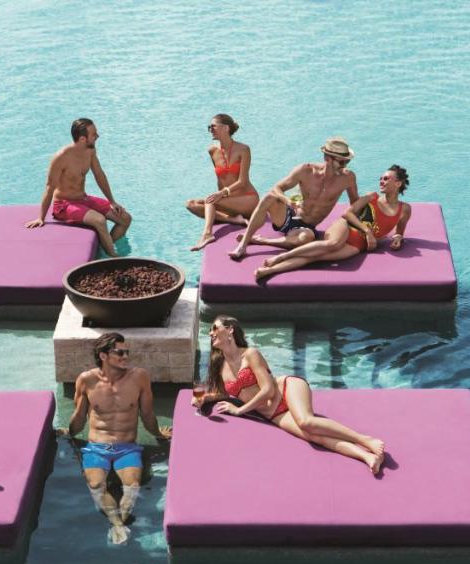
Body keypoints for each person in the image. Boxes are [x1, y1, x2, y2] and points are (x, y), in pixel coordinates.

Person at [197, 316, 386, 475]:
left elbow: (268, 390)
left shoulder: (250, 354)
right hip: (273, 414)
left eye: (215, 328)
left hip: (286, 389)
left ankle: (366, 440)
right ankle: (367, 456)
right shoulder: (220, 366)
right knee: (314, 437)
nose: (210, 333)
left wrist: (240, 411)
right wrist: (206, 398)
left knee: (306, 422)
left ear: (230, 330)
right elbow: (225, 391)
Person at [59, 333, 172, 544]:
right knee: (96, 485)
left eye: (127, 352)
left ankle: (122, 521)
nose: (125, 356)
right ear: (103, 356)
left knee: (132, 485)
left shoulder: (139, 377)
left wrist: (158, 434)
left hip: (127, 447)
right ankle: (117, 524)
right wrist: (69, 432)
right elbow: (80, 416)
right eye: (120, 352)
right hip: (96, 447)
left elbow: (147, 414)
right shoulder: (87, 380)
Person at [255, 165, 412, 281]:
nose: (382, 181)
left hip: (358, 245)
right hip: (346, 227)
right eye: (381, 179)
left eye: (386, 179)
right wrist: (368, 231)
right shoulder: (372, 197)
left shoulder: (405, 209)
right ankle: (282, 257)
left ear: (398, 183)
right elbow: (347, 213)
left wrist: (398, 238)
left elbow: (399, 231)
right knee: (333, 243)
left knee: (314, 258)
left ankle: (269, 271)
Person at [226, 136, 359, 261]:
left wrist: (362, 228)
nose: (345, 166)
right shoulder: (306, 171)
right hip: (288, 217)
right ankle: (243, 245)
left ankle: (261, 240)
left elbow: (355, 204)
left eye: (347, 161)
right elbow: (277, 188)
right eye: (342, 162)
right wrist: (287, 201)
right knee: (268, 197)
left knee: (306, 238)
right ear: (327, 158)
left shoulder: (348, 178)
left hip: (307, 229)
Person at [24, 117, 132, 257]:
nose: (97, 136)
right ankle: (113, 257)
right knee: (99, 220)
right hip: (64, 205)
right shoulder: (61, 157)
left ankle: (103, 249)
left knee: (125, 218)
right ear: (82, 139)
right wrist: (41, 218)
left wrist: (112, 201)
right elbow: (49, 187)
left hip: (83, 199)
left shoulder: (90, 151)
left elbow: (99, 175)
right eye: (94, 134)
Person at [186, 113, 259, 251]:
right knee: (191, 204)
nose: (210, 130)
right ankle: (233, 219)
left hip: (248, 199)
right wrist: (220, 196)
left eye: (213, 126)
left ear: (226, 128)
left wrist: (221, 194)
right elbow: (220, 179)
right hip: (230, 201)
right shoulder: (212, 150)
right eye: (209, 127)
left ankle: (207, 234)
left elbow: (243, 181)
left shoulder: (243, 149)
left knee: (211, 201)